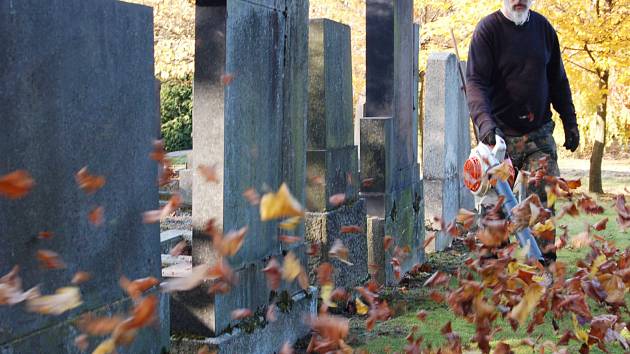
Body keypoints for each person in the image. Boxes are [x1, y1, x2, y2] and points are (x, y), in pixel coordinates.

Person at [466, 0, 580, 265]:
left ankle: (544, 269)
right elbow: (476, 83)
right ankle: (494, 272)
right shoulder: (487, 31)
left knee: (541, 203)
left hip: (538, 135)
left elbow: (558, 81)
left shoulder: (544, 30)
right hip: (498, 140)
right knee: (493, 210)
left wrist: (570, 120)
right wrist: (485, 123)